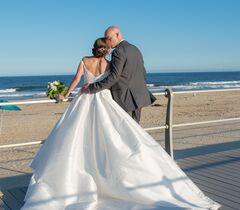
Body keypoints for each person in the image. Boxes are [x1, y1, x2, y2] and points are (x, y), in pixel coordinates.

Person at [21, 37, 221, 209]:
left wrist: (64, 95)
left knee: (75, 136)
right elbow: (114, 81)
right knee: (110, 136)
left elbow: (75, 81)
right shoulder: (109, 65)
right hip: (104, 100)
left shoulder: (84, 61)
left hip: (85, 99)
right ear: (106, 50)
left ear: (93, 48)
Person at [82, 26, 156, 123]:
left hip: (124, 98)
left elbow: (114, 77)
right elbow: (143, 72)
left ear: (117, 35)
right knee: (134, 130)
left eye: (109, 38)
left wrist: (92, 87)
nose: (107, 42)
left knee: (125, 132)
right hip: (139, 97)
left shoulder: (118, 51)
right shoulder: (135, 48)